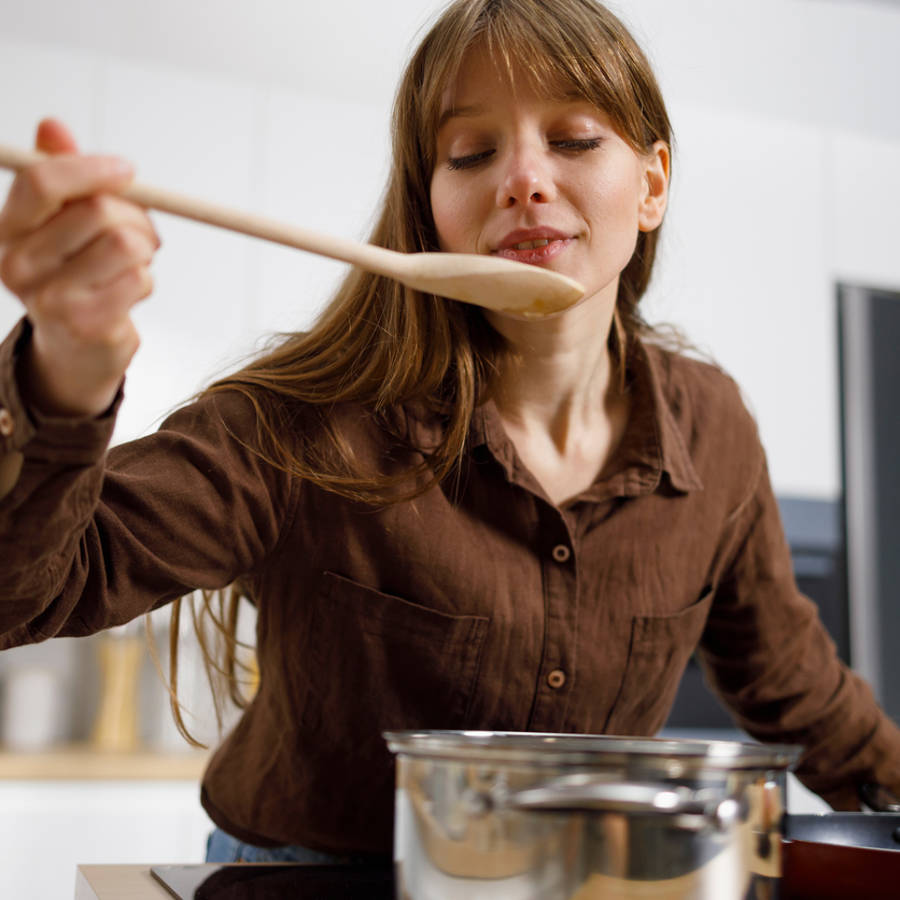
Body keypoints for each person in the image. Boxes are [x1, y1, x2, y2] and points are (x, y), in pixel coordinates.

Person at [1, 0, 898, 865]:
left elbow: (804, 698)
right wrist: (66, 372)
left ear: (653, 184)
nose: (523, 178)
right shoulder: (306, 420)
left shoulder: (717, 431)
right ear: (430, 206)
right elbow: (29, 591)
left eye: (576, 139)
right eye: (471, 153)